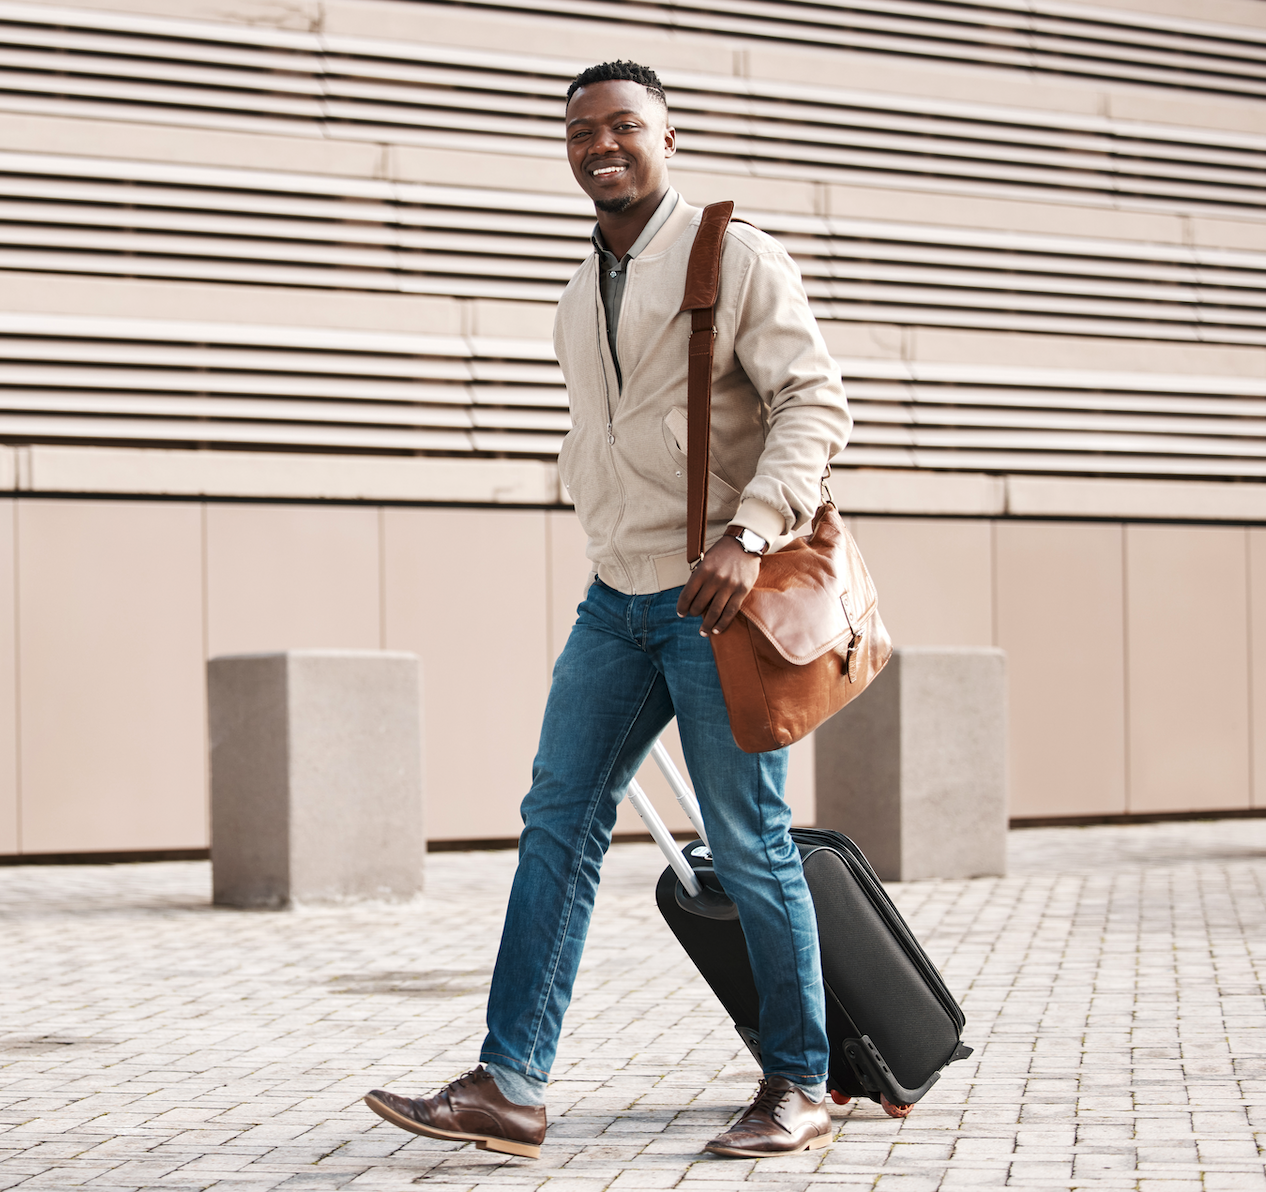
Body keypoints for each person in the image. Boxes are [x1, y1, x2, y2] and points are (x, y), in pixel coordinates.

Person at [362, 59, 852, 1161]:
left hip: (718, 602)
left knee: (747, 838)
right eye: (582, 132)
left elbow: (815, 400)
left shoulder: (733, 255)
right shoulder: (578, 291)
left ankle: (800, 1080)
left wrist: (749, 531)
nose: (600, 146)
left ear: (667, 137)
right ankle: (510, 1083)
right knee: (556, 821)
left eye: (623, 126)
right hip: (616, 601)